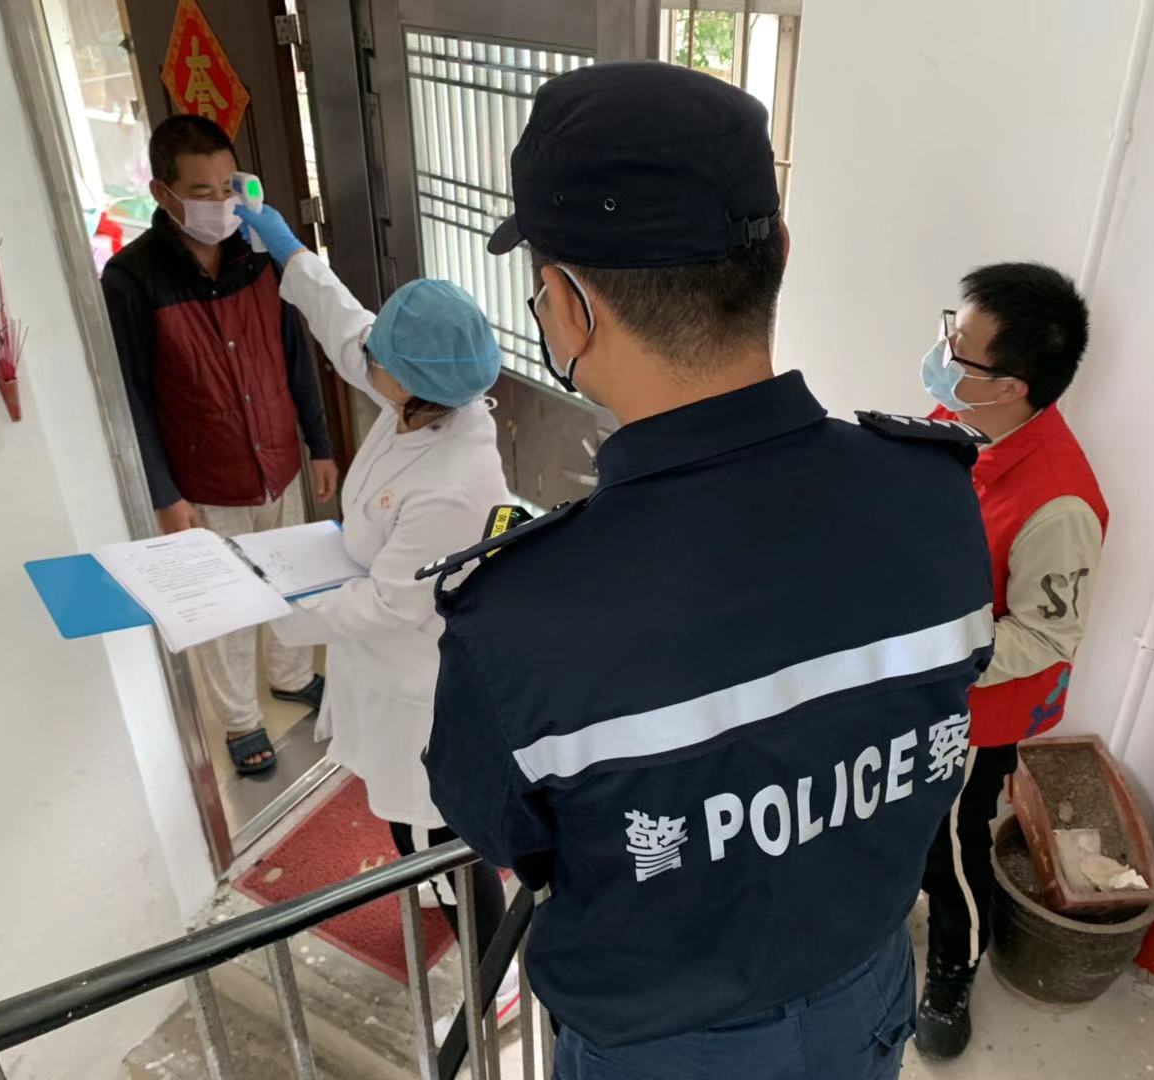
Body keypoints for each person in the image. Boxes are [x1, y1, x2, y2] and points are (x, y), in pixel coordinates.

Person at [418, 61, 995, 1079]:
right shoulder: (935, 495)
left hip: (662, 1049)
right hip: (866, 996)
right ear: (781, 249)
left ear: (567, 307)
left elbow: (504, 831)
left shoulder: (520, 621)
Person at [233, 202, 519, 1032]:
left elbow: (393, 600)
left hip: (417, 674)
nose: (366, 361)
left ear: (413, 383)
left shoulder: (456, 479)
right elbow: (345, 326)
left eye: (380, 361)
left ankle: (497, 968)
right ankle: (425, 876)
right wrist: (289, 250)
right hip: (379, 662)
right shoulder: (417, 394)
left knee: (440, 824)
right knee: (401, 809)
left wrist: (272, 608)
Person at [915, 264, 1107, 1060]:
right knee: (903, 814)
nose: (941, 354)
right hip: (918, 677)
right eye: (949, 330)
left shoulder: (1060, 505)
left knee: (953, 842)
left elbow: (1047, 637)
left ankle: (954, 963)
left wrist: (937, 655)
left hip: (976, 707)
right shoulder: (961, 417)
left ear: (1011, 387)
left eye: (958, 347)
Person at [102, 115, 333, 774]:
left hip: (278, 460)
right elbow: (130, 398)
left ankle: (292, 674)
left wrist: (318, 443)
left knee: (288, 581)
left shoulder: (259, 254)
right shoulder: (131, 279)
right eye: (201, 191)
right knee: (222, 606)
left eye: (229, 186)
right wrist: (164, 493)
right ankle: (240, 720)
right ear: (163, 192)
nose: (220, 202)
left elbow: (295, 355)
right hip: (204, 481)